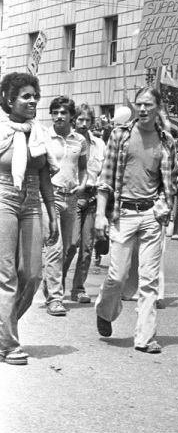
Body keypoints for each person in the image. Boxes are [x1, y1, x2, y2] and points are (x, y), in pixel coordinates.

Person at [94, 86, 175, 353]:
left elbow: (168, 184)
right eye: (139, 104)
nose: (142, 109)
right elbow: (105, 179)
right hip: (123, 213)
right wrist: (100, 215)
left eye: (148, 105)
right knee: (117, 277)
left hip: (151, 215)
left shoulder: (167, 142)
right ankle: (105, 311)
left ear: (157, 108)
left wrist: (163, 208)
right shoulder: (120, 136)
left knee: (149, 281)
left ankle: (145, 338)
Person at [0, 73, 58, 365]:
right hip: (3, 199)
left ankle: (2, 330)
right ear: (9, 100)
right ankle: (9, 344)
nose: (33, 100)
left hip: (33, 202)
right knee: (6, 275)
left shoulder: (41, 133)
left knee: (33, 273)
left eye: (35, 95)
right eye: (25, 96)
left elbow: (45, 175)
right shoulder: (1, 132)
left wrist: (53, 212)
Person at [43, 96, 88, 316]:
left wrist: (82, 185)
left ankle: (49, 284)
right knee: (55, 247)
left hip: (71, 199)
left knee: (71, 246)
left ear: (71, 116)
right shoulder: (44, 137)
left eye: (63, 112)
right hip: (50, 198)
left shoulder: (79, 140)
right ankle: (54, 298)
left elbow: (84, 168)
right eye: (55, 112)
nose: (59, 116)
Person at [66, 104, 106, 304]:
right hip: (73, 197)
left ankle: (78, 288)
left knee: (87, 247)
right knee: (71, 244)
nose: (83, 123)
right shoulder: (69, 141)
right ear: (74, 120)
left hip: (92, 198)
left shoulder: (99, 144)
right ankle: (55, 284)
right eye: (80, 119)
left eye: (87, 120)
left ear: (92, 122)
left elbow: (104, 173)